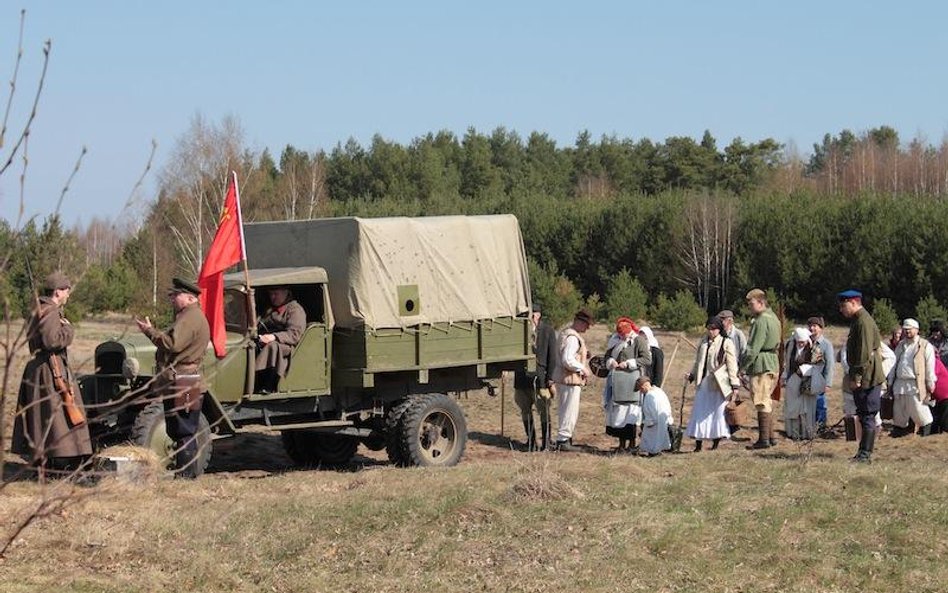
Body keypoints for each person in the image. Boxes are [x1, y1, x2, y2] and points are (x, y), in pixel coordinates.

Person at [12, 272, 93, 474]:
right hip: (50, 370)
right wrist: (69, 330)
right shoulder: (49, 311)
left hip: (43, 368)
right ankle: (62, 464)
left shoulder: (41, 309)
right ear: (57, 291)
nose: (68, 294)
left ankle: (48, 463)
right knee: (59, 417)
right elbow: (52, 341)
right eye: (66, 290)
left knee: (47, 417)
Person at [136, 278, 211, 478]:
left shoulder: (191, 317)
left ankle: (186, 476)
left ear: (189, 297)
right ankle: (185, 474)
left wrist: (150, 332)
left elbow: (173, 344)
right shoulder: (188, 316)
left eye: (175, 295)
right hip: (182, 379)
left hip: (183, 381)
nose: (171, 298)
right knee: (181, 429)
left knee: (184, 430)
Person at [838, 289, 886, 463]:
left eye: (843, 306)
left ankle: (865, 454)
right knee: (865, 414)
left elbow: (863, 354)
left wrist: (856, 378)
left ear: (853, 303)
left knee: (867, 415)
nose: (841, 310)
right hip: (865, 376)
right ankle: (863, 452)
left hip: (867, 377)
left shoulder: (863, 322)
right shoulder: (858, 320)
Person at [685, 317, 739, 451]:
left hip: (719, 384)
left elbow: (732, 365)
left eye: (714, 329)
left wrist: (735, 384)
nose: (711, 331)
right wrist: (692, 375)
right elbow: (698, 362)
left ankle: (715, 443)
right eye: (709, 328)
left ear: (719, 329)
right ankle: (698, 444)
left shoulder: (726, 343)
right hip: (703, 382)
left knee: (717, 413)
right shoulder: (703, 342)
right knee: (700, 411)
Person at [739, 289, 781, 449]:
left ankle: (764, 440)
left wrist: (742, 367)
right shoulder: (774, 318)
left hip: (761, 364)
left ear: (761, 302)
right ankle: (771, 437)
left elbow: (753, 348)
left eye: (751, 304)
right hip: (772, 362)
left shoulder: (761, 320)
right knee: (767, 400)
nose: (750, 308)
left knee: (761, 401)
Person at [512, 302, 557, 451]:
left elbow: (553, 357)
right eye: (529, 315)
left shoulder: (547, 331)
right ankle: (530, 441)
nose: (532, 317)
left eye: (535, 314)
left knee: (543, 411)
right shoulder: (519, 332)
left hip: (540, 379)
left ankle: (546, 443)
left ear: (539, 315)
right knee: (525, 410)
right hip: (521, 378)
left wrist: (550, 378)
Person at [602, 317, 651, 452]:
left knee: (630, 413)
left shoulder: (638, 341)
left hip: (632, 381)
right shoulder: (615, 341)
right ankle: (621, 444)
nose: (622, 337)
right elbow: (607, 356)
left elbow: (647, 359)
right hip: (617, 382)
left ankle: (631, 444)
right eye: (620, 335)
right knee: (619, 414)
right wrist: (611, 361)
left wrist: (629, 363)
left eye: (624, 334)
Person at [551, 309, 594, 452]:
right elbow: (567, 360)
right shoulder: (572, 338)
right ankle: (563, 440)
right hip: (569, 379)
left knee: (566, 409)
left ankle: (564, 438)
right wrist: (582, 368)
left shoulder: (566, 333)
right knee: (569, 410)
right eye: (586, 325)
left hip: (565, 379)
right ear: (580, 322)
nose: (587, 328)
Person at [887, 318, 935, 437]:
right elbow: (894, 363)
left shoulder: (924, 345)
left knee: (918, 409)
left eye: (910, 329)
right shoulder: (901, 345)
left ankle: (926, 431)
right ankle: (899, 430)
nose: (907, 332)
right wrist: (890, 382)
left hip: (915, 383)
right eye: (905, 330)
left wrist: (930, 383)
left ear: (917, 330)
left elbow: (929, 366)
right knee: (899, 410)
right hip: (900, 383)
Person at [255, 286, 307, 393]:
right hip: (267, 340)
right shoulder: (270, 310)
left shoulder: (295, 310)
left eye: (276, 294)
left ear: (286, 292)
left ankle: (267, 383)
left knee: (273, 346)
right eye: (271, 294)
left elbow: (294, 334)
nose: (272, 297)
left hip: (287, 346)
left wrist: (273, 337)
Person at [781, 327, 825, 440]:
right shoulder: (790, 347)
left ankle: (807, 433)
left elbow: (819, 365)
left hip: (808, 383)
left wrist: (805, 369)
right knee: (793, 408)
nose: (801, 344)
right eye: (799, 342)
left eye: (803, 342)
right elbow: (787, 364)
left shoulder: (814, 349)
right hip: (793, 382)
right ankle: (794, 433)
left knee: (807, 409)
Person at [719, 309, 749, 439]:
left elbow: (744, 354)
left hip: (734, 371)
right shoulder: (720, 334)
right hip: (721, 372)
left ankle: (733, 426)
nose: (720, 323)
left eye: (722, 320)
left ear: (729, 321)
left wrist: (741, 371)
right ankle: (721, 426)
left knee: (732, 399)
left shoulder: (738, 334)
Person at [807, 316, 835, 432]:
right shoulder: (806, 342)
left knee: (820, 404)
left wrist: (827, 383)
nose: (811, 328)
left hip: (819, 379)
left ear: (820, 328)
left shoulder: (826, 344)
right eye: (810, 326)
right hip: (808, 379)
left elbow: (830, 364)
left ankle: (821, 426)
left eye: (814, 326)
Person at [636, 376, 673, 456]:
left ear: (644, 386)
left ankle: (653, 452)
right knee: (660, 437)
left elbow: (650, 411)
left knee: (651, 437)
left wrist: (647, 422)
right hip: (663, 419)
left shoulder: (649, 396)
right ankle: (657, 450)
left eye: (641, 389)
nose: (641, 392)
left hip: (654, 422)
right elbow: (668, 405)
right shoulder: (660, 391)